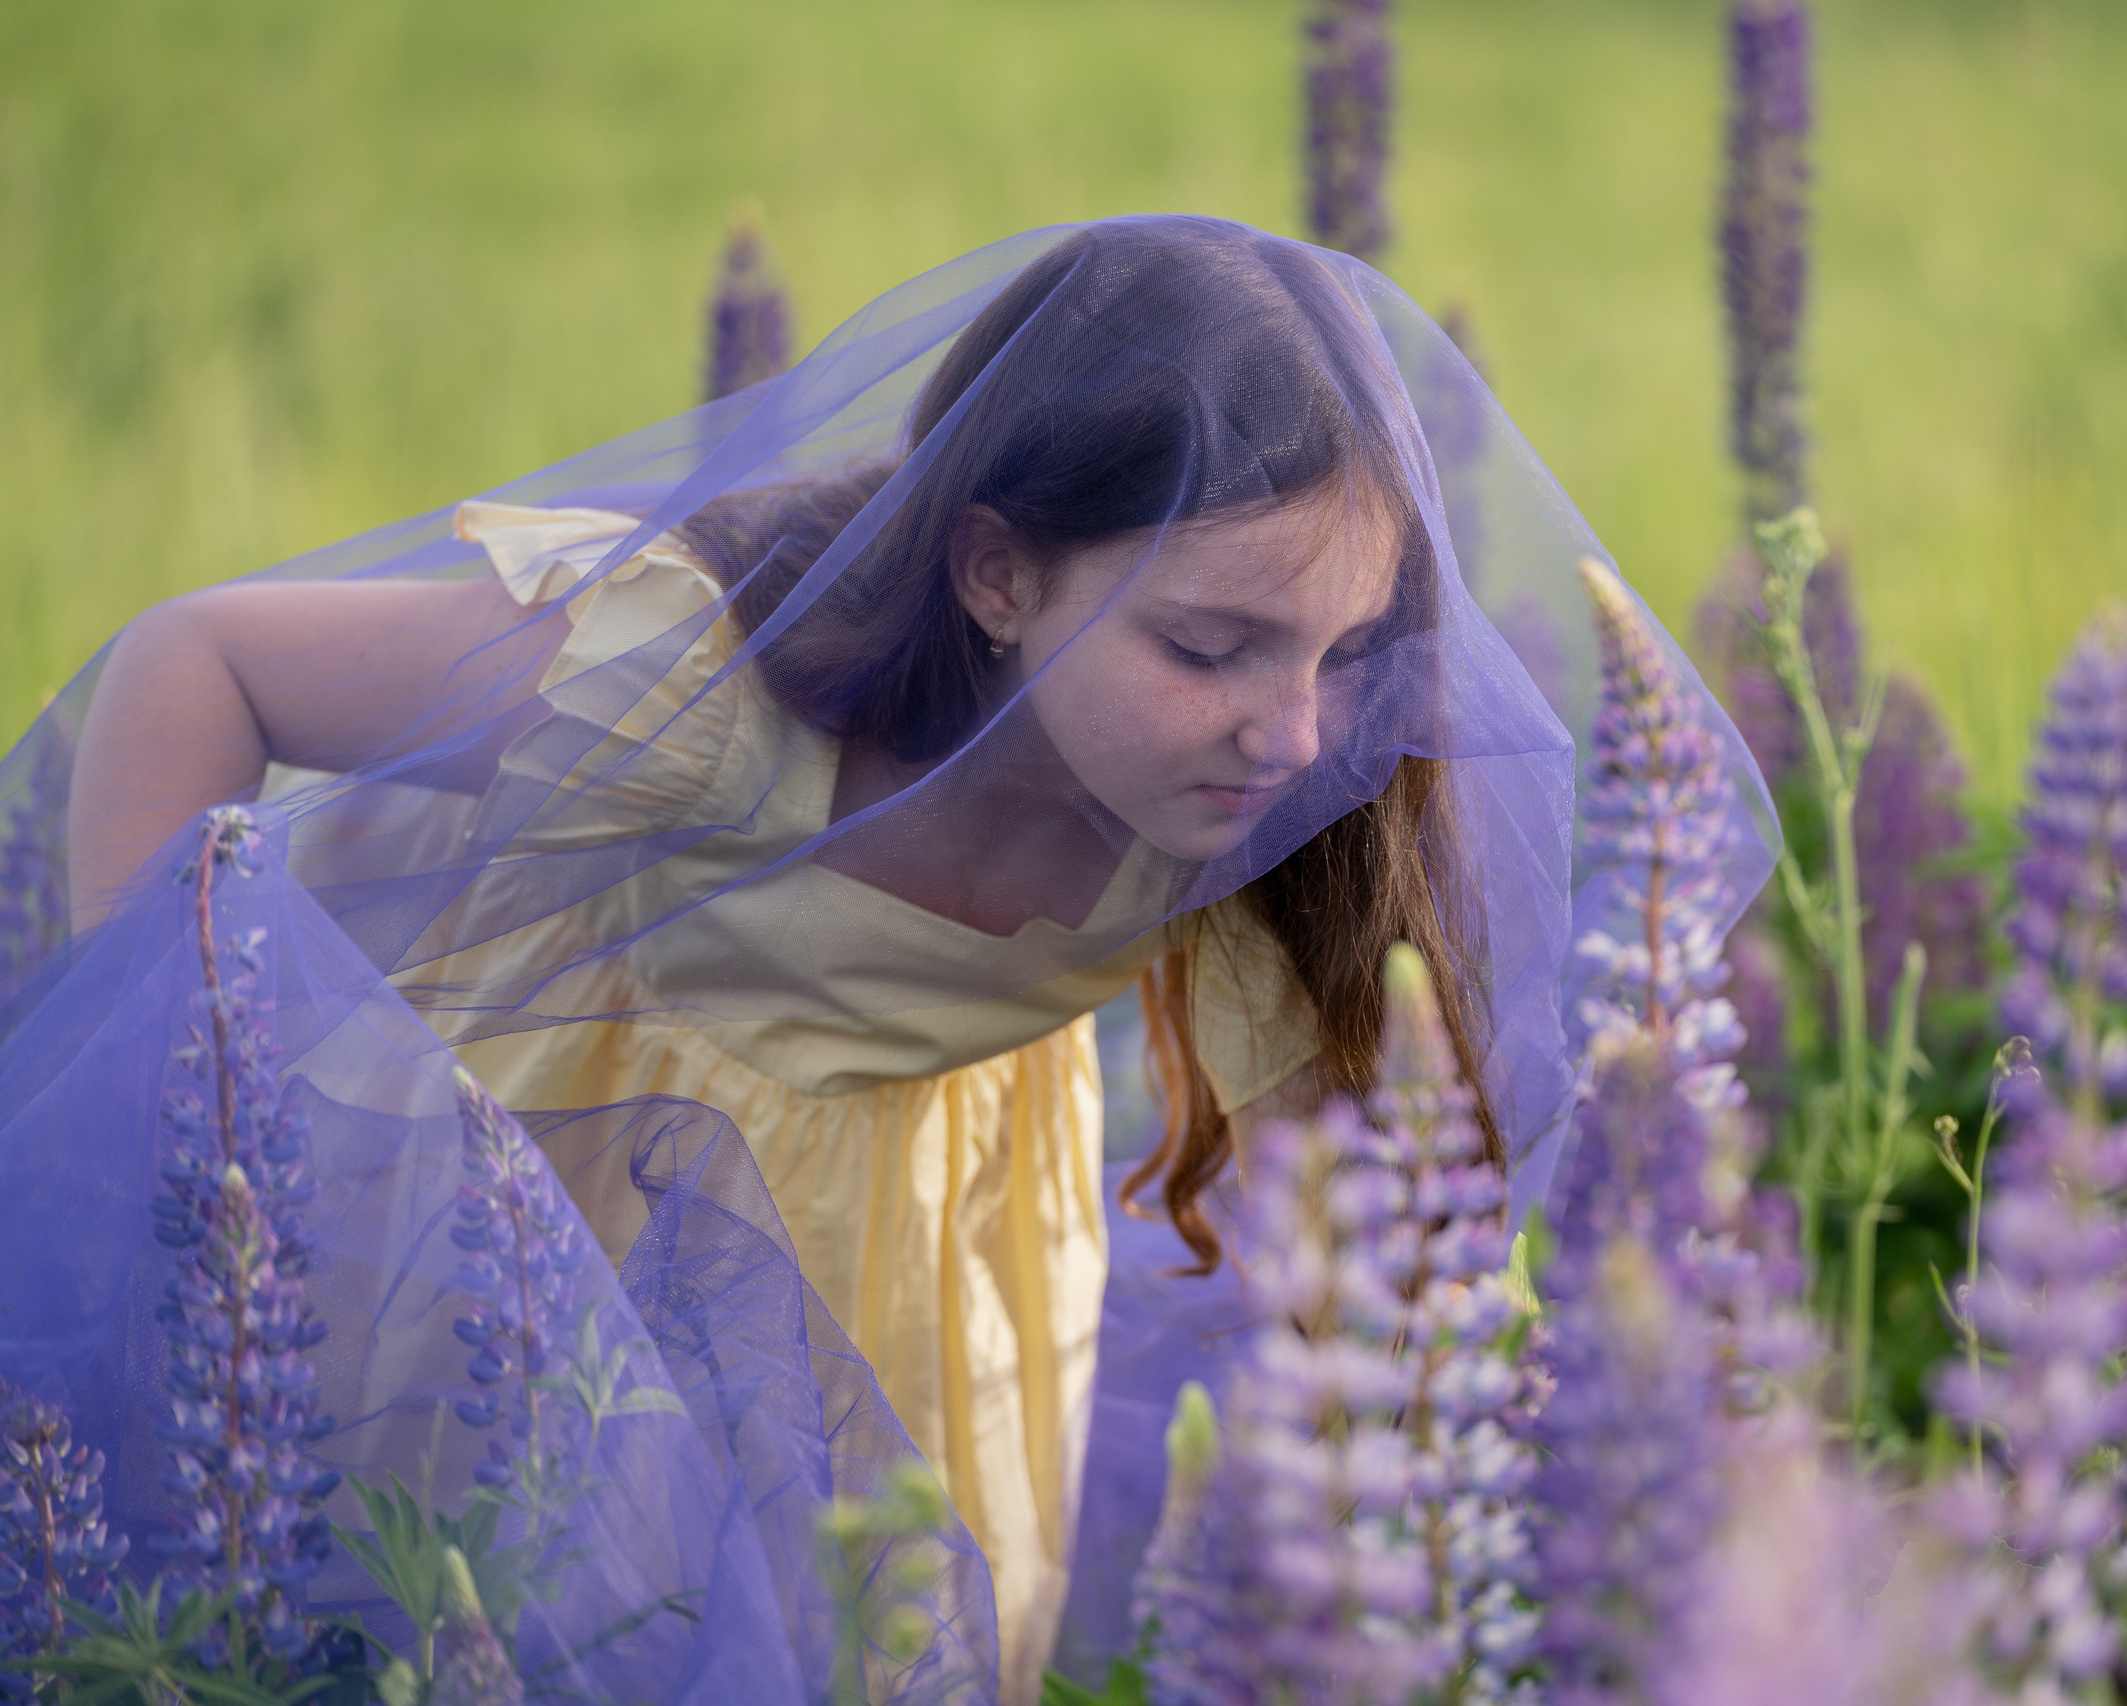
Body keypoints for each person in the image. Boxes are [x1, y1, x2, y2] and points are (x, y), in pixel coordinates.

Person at [0, 216, 1769, 1702]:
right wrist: (184, 1077)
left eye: (1344, 648)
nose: (1293, 727)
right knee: (507, 1625)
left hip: (923, 1278)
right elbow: (195, 665)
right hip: (554, 1220)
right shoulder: (699, 695)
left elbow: (1382, 1214)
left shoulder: (1244, 800)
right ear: (994, 572)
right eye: (1214, 641)